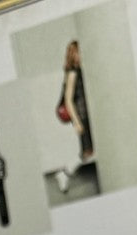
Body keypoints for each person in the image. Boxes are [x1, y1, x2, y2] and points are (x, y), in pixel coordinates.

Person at [56, 41, 94, 192]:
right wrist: (77, 122)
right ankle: (64, 174)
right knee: (87, 152)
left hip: (85, 115)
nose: (82, 54)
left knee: (88, 151)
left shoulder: (78, 70)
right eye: (79, 52)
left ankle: (63, 174)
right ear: (74, 55)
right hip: (82, 116)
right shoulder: (72, 73)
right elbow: (68, 100)